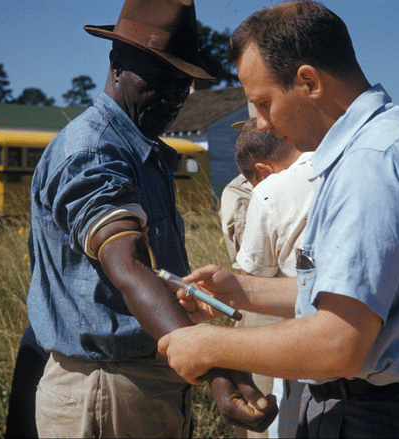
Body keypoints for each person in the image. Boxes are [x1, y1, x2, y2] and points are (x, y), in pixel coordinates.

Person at [158, 1, 399, 437]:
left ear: (309, 81)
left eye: (263, 102)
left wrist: (210, 344)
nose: (260, 124)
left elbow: (339, 342)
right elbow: (363, 292)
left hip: (378, 421)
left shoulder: (369, 166)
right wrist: (243, 290)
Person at [26, 1, 277, 437]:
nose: (174, 97)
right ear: (117, 64)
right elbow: (131, 266)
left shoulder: (143, 148)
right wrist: (217, 367)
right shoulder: (93, 151)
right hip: (107, 389)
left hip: (144, 381)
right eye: (160, 79)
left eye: (184, 85)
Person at [233, 118, 319, 438]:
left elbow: (251, 284)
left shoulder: (271, 190)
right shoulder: (344, 167)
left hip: (304, 354)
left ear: (263, 171)